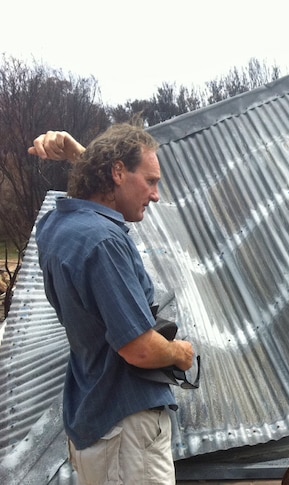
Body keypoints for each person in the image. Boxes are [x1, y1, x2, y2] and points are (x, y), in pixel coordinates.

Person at [29, 125, 196, 484]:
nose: (155, 194)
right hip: (126, 429)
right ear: (118, 172)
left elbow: (97, 199)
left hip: (95, 413)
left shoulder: (57, 226)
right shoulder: (103, 242)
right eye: (151, 181)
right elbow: (139, 350)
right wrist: (179, 352)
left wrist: (83, 158)